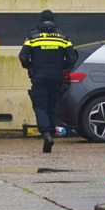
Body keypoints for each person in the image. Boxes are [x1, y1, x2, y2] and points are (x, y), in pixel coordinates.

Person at [19, 9, 78, 153]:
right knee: (52, 107)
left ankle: (45, 133)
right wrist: (61, 67)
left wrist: (30, 67)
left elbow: (23, 57)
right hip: (56, 76)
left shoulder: (33, 36)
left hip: (39, 76)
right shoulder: (63, 36)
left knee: (40, 107)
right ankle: (51, 134)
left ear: (41, 20)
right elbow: (72, 58)